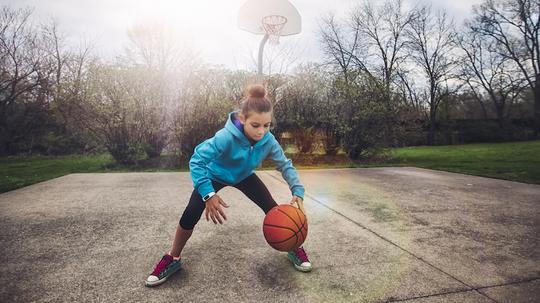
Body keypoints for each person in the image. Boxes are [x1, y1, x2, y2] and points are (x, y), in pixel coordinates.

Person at [145, 84, 312, 287]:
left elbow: (285, 165)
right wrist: (208, 194)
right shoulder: (225, 137)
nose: (262, 131)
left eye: (267, 125)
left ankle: (293, 246)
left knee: (275, 211)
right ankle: (173, 258)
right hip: (214, 175)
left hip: (244, 176)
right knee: (190, 213)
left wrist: (298, 191)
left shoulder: (268, 140)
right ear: (243, 119)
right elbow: (197, 161)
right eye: (256, 125)